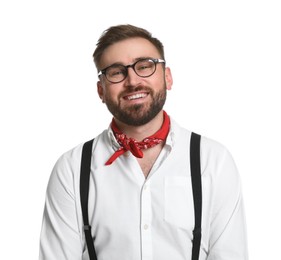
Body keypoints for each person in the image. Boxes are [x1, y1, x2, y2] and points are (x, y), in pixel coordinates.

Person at [39, 24, 248, 260]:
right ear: (101, 91)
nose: (132, 80)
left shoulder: (212, 160)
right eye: (116, 72)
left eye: (144, 66)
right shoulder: (71, 169)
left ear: (167, 77)